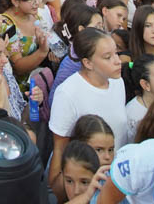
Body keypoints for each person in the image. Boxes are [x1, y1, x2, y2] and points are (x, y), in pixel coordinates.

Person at [50, 28, 126, 187]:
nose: (117, 61)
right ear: (88, 62)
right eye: (108, 57)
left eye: (116, 53)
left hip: (116, 176)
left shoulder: (118, 82)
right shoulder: (67, 93)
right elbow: (60, 149)